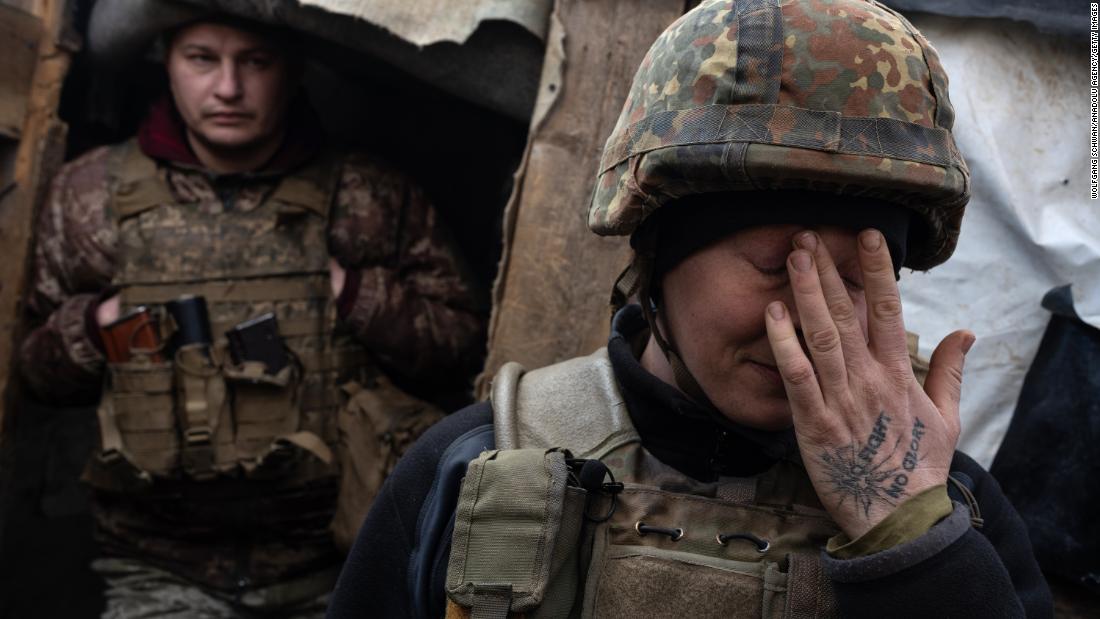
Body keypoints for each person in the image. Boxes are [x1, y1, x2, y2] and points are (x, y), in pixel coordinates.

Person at [327, 0, 1052, 617]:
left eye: (857, 280)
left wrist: (910, 540)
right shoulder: (468, 466)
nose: (811, 319)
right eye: (775, 268)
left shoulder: (950, 509)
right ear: (660, 258)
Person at [18, 8, 483, 618]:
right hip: (156, 567)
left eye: (255, 61)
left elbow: (463, 350)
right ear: (168, 62)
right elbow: (33, 377)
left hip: (338, 562)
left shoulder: (365, 193)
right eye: (202, 58)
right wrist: (93, 331)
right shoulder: (89, 195)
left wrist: (354, 295)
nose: (229, 88)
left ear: (291, 71)